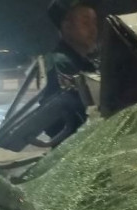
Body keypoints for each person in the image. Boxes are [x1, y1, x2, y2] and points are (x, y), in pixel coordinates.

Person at [40, 1, 99, 137]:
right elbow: (54, 122)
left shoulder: (85, 63)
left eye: (94, 22)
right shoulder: (60, 64)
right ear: (67, 27)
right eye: (85, 23)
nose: (93, 29)